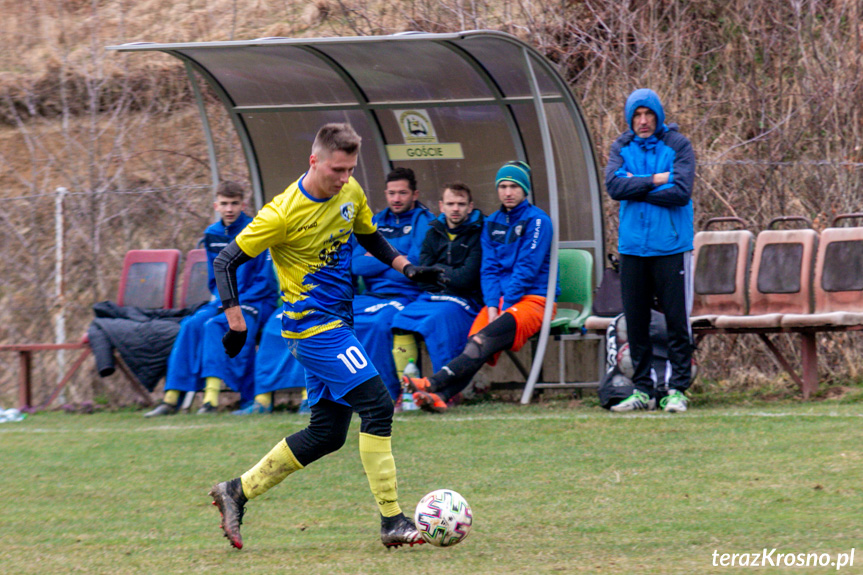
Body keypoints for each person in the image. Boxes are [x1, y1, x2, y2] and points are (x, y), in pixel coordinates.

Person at [207, 123, 446, 550]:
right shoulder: (281, 213)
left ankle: (235, 491)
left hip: (340, 323)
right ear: (314, 160)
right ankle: (392, 520)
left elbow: (369, 236)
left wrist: (409, 268)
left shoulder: (350, 192)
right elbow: (226, 261)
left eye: (350, 169)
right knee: (377, 405)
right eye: (337, 169)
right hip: (312, 329)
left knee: (327, 434)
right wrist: (236, 323)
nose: (344, 178)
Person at [403, 161, 557, 413]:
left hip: (534, 300)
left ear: (525, 190)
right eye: (503, 186)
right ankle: (441, 397)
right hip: (498, 303)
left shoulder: (538, 221)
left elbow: (527, 269)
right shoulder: (492, 222)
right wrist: (492, 305)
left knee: (483, 339)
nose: (508, 192)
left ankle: (432, 382)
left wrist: (504, 307)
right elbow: (489, 269)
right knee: (475, 342)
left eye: (514, 186)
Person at [143, 181, 277, 417]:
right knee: (190, 325)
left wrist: (235, 303)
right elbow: (215, 278)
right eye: (224, 203)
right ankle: (171, 397)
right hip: (223, 301)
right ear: (216, 205)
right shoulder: (212, 234)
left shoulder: (257, 229)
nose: (229, 209)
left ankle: (210, 400)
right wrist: (222, 300)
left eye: (234, 203)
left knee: (214, 325)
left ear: (243, 204)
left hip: (255, 301)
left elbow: (264, 281)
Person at [604, 88, 696, 413]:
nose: (643, 121)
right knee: (637, 321)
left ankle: (676, 389)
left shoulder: (678, 145)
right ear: (630, 118)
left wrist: (637, 185)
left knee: (676, 321)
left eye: (648, 115)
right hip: (632, 249)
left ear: (658, 115)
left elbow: (681, 192)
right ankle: (643, 390)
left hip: (671, 246)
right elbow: (615, 187)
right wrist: (657, 179)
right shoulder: (621, 146)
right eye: (637, 115)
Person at [350, 167, 434, 400]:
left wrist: (377, 256)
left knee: (378, 324)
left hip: (407, 296)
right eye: (391, 193)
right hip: (371, 295)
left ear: (414, 194)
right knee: (334, 320)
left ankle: (386, 393)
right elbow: (356, 265)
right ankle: (343, 392)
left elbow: (415, 265)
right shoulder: (375, 222)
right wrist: (398, 258)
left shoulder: (425, 221)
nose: (396, 198)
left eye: (402, 193)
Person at [390, 182, 483, 382]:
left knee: (437, 321)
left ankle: (444, 386)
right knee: (399, 321)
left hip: (466, 301)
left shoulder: (479, 233)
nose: (455, 209)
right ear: (441, 206)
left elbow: (467, 279)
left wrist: (437, 272)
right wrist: (449, 275)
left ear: (470, 206)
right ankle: (406, 387)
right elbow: (422, 277)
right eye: (450, 204)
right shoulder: (432, 232)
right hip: (431, 297)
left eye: (461, 204)